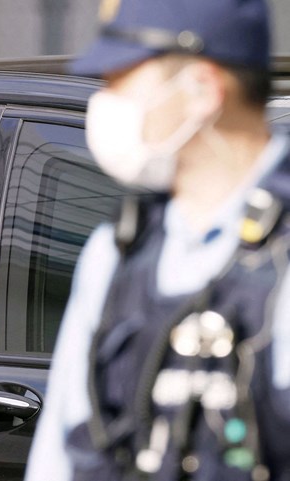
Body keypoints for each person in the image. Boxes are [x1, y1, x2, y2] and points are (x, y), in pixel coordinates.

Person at [25, 0, 290, 480]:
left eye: (120, 80)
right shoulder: (116, 253)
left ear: (202, 90)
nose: (103, 101)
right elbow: (58, 462)